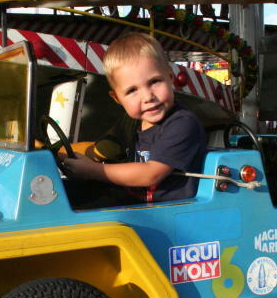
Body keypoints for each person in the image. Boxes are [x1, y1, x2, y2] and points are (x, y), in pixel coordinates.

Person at [62, 32, 206, 203]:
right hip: (139, 207)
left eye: (154, 82)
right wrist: (64, 156)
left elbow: (151, 174)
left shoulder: (182, 123)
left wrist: (92, 170)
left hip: (171, 216)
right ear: (117, 98)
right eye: (132, 91)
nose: (147, 97)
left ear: (170, 78)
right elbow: (102, 149)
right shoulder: (132, 123)